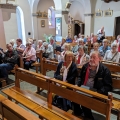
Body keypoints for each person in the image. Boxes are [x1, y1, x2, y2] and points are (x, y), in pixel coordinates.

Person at [73, 51, 112, 120]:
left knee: (84, 99)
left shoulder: (105, 70)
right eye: (91, 57)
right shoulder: (85, 66)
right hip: (84, 88)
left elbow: (108, 86)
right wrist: (77, 84)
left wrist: (98, 92)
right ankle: (78, 113)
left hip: (96, 91)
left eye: (94, 57)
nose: (91, 59)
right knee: (73, 94)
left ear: (99, 59)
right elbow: (80, 77)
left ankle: (89, 117)